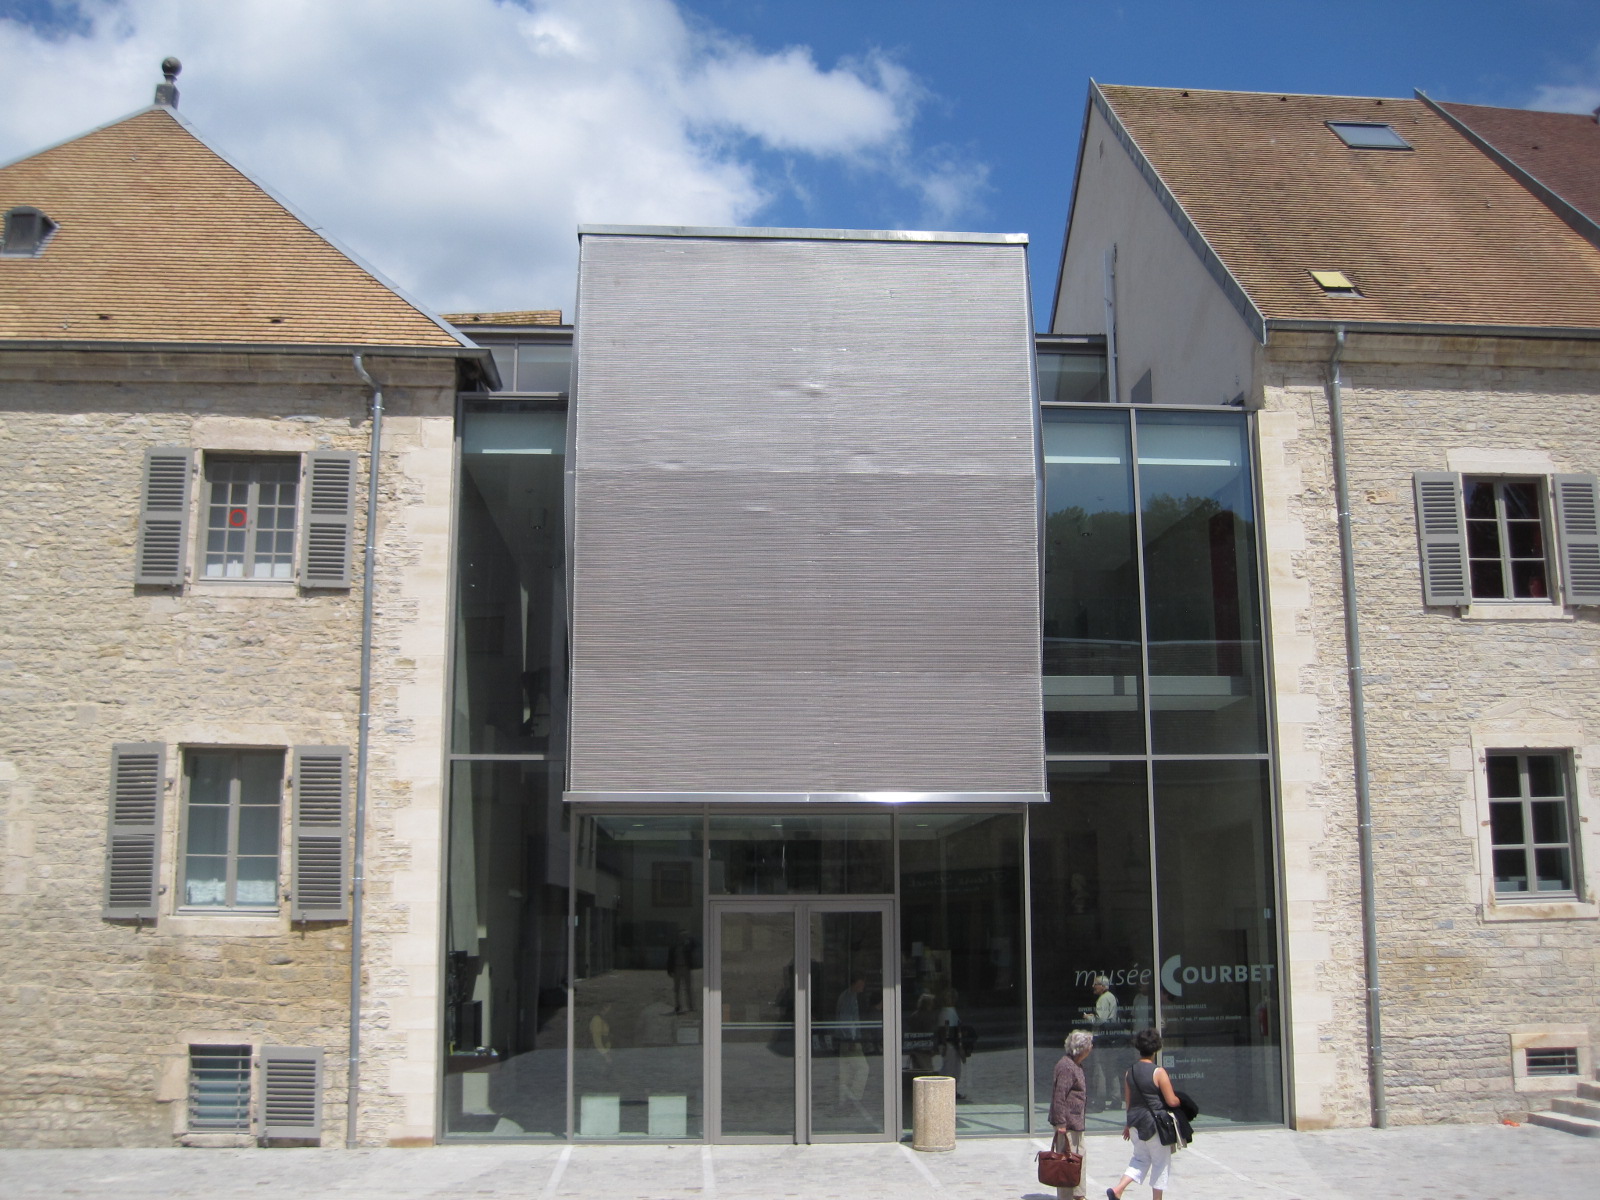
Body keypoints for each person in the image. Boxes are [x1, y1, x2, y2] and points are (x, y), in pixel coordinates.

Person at [1107, 1027, 1182, 1200]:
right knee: (1160, 1164)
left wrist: (1128, 1125)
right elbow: (1171, 1101)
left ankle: (1118, 1188)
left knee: (1139, 1159)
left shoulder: (1130, 1072)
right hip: (1156, 1125)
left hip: (1135, 1123)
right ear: (1156, 1048)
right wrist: (1182, 1101)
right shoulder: (1159, 1072)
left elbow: (1129, 1103)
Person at [1049, 1030, 1095, 1200]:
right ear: (1082, 1049)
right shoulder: (1067, 1067)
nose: (1091, 1049)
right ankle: (1069, 1196)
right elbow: (1059, 1096)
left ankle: (1078, 1195)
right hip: (1068, 1124)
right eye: (1089, 1046)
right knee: (1067, 1162)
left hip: (1075, 1122)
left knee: (1078, 1159)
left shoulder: (1075, 1065)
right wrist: (1061, 1123)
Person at [835, 973, 868, 1105]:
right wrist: (851, 1039)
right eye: (860, 984)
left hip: (844, 1039)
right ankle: (854, 1096)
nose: (863, 986)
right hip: (849, 1040)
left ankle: (843, 1099)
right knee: (863, 1068)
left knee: (845, 1071)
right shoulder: (848, 998)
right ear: (854, 984)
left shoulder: (848, 996)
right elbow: (846, 1021)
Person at [1088, 975, 1119, 1109]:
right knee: (1112, 1068)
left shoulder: (1102, 999)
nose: (1093, 986)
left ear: (1102, 986)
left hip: (1101, 1037)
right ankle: (1116, 1099)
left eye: (1095, 984)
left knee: (1099, 1068)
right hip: (1111, 1038)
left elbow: (1100, 1020)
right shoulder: (1112, 997)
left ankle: (1100, 1100)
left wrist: (1089, 1018)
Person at [937, 986, 967, 1100]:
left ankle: (952, 1090)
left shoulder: (949, 1011)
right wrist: (946, 1044)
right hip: (950, 1044)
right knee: (950, 1067)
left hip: (951, 1043)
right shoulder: (947, 1012)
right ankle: (947, 1091)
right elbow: (946, 1029)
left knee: (954, 1068)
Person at [666, 929, 695, 1014]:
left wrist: (689, 940)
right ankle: (678, 1005)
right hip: (677, 968)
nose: (682, 938)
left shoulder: (687, 946)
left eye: (684, 936)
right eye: (681, 936)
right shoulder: (674, 946)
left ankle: (690, 1005)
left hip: (686, 968)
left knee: (688, 988)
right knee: (677, 989)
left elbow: (695, 946)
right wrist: (669, 970)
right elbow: (670, 958)